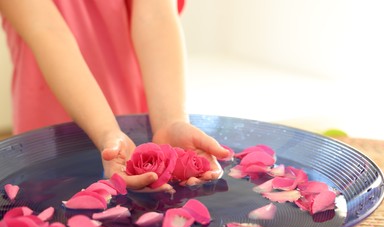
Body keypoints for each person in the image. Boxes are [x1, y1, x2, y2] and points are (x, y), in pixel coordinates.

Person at [0, 0, 230, 192]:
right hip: (52, 130)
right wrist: (106, 132)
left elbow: (155, 17)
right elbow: (47, 31)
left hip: (134, 125)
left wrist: (171, 120)